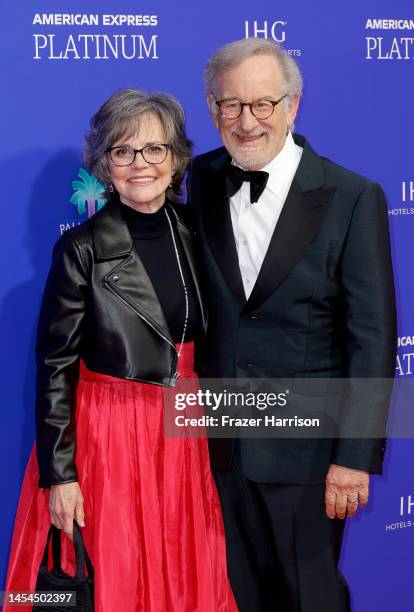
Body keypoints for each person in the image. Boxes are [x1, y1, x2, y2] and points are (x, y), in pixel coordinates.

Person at [5, 88, 237, 612]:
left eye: (154, 149)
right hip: (108, 439)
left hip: (185, 433)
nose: (140, 164)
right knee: (116, 573)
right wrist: (61, 477)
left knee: (189, 566)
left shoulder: (194, 231)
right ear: (105, 164)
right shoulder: (81, 249)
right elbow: (55, 369)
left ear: (176, 159)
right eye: (123, 151)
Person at [188, 38, 397, 612]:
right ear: (212, 108)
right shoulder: (200, 180)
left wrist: (354, 457)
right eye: (231, 105)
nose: (246, 121)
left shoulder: (353, 197)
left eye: (263, 105)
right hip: (221, 444)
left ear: (293, 106)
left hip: (308, 451)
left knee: (311, 598)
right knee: (240, 596)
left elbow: (373, 338)